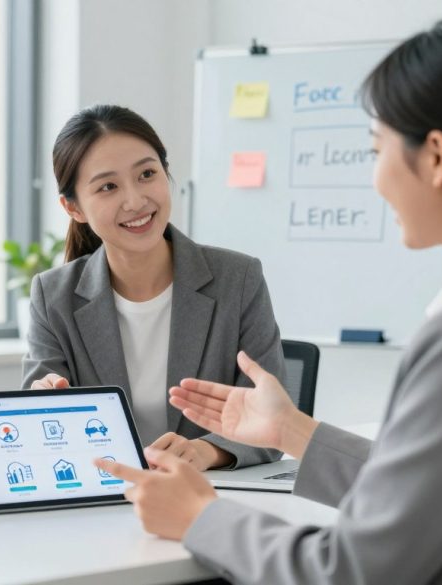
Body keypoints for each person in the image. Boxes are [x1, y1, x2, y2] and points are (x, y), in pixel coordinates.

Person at [96, 17, 442, 584]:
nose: (375, 179)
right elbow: (428, 493)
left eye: (376, 150)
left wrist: (201, 517)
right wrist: (292, 430)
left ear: (437, 158)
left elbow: (353, 571)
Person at [23, 105, 289, 471]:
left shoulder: (238, 279)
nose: (135, 201)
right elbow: (39, 431)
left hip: (210, 499)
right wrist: (41, 403)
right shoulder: (52, 296)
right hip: (101, 504)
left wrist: (205, 452)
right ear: (73, 208)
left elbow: (272, 419)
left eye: (147, 174)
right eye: (108, 187)